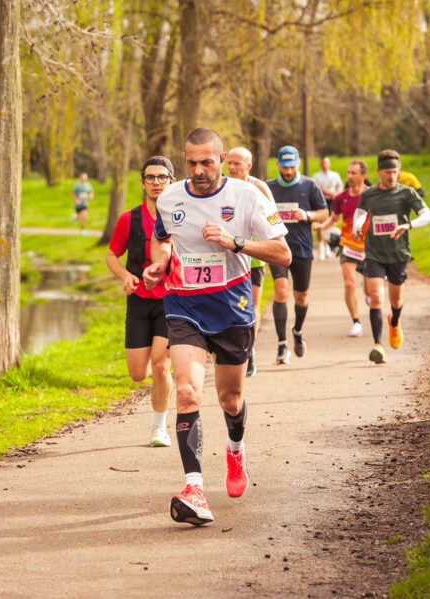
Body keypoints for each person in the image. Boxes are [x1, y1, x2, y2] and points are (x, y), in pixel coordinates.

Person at [143, 128, 290, 525]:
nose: (198, 170)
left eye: (206, 162)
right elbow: (163, 240)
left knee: (230, 399)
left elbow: (283, 252)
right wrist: (159, 264)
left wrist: (235, 243)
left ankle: (236, 449)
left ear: (222, 159)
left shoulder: (248, 196)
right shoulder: (170, 197)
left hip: (232, 305)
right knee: (188, 391)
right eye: (191, 162)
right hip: (183, 302)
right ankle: (194, 488)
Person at [106, 156, 176, 447]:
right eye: (151, 177)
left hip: (170, 300)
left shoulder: (179, 216)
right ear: (142, 182)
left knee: (161, 366)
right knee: (138, 374)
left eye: (162, 177)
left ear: (172, 181)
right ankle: (157, 389)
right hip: (138, 300)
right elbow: (112, 254)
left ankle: (159, 427)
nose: (156, 182)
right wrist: (124, 276)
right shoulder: (129, 218)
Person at [352, 149, 430, 364]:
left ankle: (395, 321)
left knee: (396, 299)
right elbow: (360, 213)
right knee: (376, 297)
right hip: (374, 252)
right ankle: (378, 345)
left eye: (395, 172)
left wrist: (408, 225)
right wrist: (357, 226)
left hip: (398, 253)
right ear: (379, 172)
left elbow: (429, 215)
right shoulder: (369, 194)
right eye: (387, 172)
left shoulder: (406, 193)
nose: (391, 176)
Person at [267, 145, 328, 365]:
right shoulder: (268, 187)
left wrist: (307, 215)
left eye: (292, 166)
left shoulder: (310, 185)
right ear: (278, 165)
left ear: (298, 163)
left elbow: (324, 214)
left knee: (301, 297)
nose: (289, 171)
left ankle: (298, 331)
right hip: (277, 248)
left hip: (302, 249)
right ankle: (282, 345)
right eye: (285, 166)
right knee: (281, 290)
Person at [225, 146, 274, 377]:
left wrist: (272, 242)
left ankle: (250, 351)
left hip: (253, 257)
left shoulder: (258, 187)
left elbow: (274, 217)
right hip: (226, 256)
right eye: (230, 163)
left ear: (249, 166)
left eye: (237, 164)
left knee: (251, 307)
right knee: (227, 306)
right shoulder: (222, 185)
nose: (232, 168)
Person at [315, 159, 370, 337]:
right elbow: (334, 219)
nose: (350, 176)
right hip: (347, 245)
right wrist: (322, 227)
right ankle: (356, 322)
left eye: (354, 173)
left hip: (368, 247)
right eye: (348, 173)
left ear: (363, 175)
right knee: (349, 283)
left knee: (370, 291)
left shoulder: (371, 195)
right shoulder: (341, 197)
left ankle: (368, 290)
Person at [311, 156, 344, 260]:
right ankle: (321, 247)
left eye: (326, 163)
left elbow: (340, 187)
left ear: (329, 164)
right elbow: (313, 189)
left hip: (331, 201)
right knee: (320, 224)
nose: (325, 165)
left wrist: (336, 193)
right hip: (320, 201)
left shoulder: (335, 175)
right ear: (321, 164)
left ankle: (328, 246)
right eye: (323, 163)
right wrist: (321, 190)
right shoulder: (316, 176)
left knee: (329, 223)